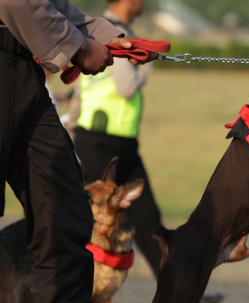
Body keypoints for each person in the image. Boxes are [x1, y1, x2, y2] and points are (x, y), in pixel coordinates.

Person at [0, 1, 155, 303]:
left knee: (68, 219)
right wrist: (79, 48)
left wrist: (103, 34)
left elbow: (49, 4)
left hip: (24, 78)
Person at [70, 0, 223, 302]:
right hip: (98, 142)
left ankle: (179, 294)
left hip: (121, 143)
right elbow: (127, 87)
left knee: (150, 222)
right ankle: (73, 289)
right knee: (80, 222)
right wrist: (148, 60)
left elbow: (81, 91)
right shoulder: (116, 36)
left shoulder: (105, 31)